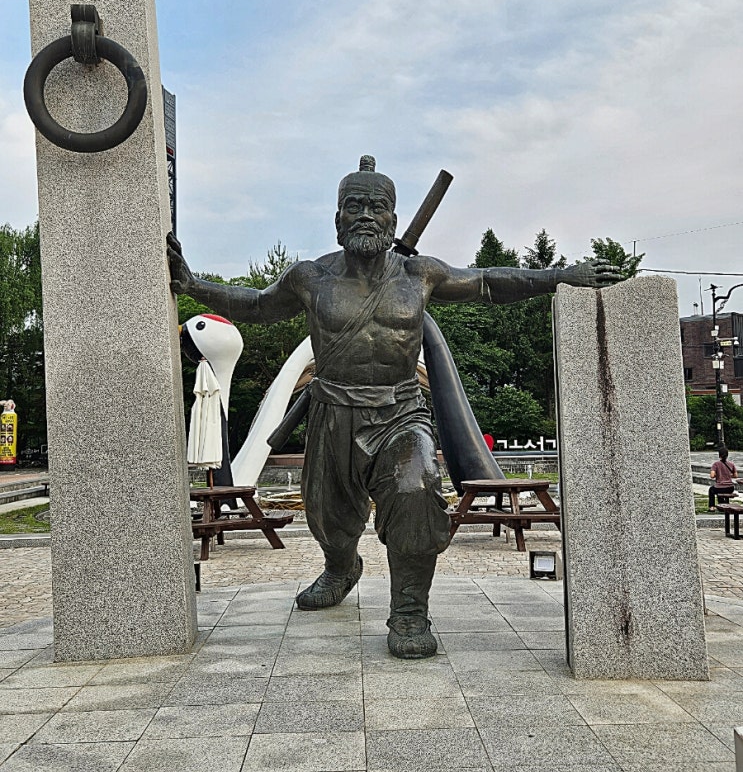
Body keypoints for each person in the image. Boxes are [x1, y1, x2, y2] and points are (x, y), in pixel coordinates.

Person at [167, 156, 621, 659]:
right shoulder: (310, 277)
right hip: (333, 413)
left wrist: (559, 276)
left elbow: (488, 282)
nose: (365, 215)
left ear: (393, 219)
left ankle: (409, 609)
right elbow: (256, 304)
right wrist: (193, 285)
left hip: (401, 412)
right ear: (337, 218)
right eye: (354, 206)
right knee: (327, 517)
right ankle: (341, 567)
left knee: (416, 492)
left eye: (376, 207)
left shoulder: (419, 275)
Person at [708, 446, 738, 511]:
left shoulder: (716, 464)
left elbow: (712, 475)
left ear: (719, 455)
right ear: (727, 455)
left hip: (720, 487)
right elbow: (735, 475)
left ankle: (712, 507)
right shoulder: (731, 464)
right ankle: (724, 504)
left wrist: (718, 475)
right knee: (721, 492)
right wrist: (728, 475)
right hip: (730, 488)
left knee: (711, 490)